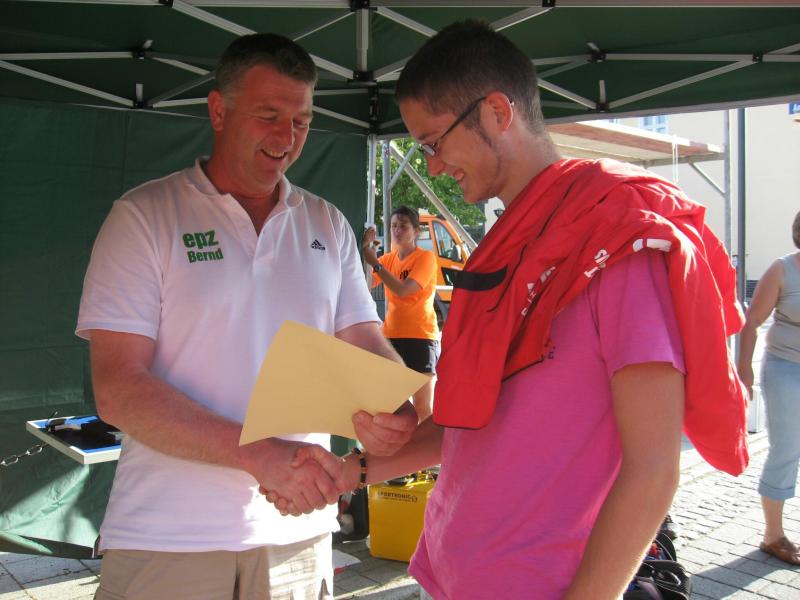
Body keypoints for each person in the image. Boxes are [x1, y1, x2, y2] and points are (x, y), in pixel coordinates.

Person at [273, 20, 749, 600]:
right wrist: (352, 472)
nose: (432, 166)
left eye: (433, 142)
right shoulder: (502, 251)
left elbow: (653, 470)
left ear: (498, 112)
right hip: (448, 571)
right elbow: (470, 420)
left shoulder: (615, 245)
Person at [76, 33, 416, 600]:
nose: (286, 138)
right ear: (218, 110)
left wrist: (392, 401)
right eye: (268, 116)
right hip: (168, 535)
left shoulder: (326, 223)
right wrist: (259, 455)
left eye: (302, 121)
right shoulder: (144, 216)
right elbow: (117, 388)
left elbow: (363, 337)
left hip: (298, 533)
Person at [737, 210, 800, 565]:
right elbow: (752, 322)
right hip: (787, 370)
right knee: (787, 449)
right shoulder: (782, 269)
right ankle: (773, 536)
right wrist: (744, 370)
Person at [363, 205, 440, 420]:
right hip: (392, 337)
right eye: (394, 226)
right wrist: (367, 250)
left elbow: (404, 290)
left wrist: (374, 263)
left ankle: (424, 443)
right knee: (390, 406)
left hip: (420, 337)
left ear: (416, 231)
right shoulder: (388, 259)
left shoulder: (425, 258)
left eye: (403, 226)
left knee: (422, 408)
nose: (397, 230)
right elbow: (363, 284)